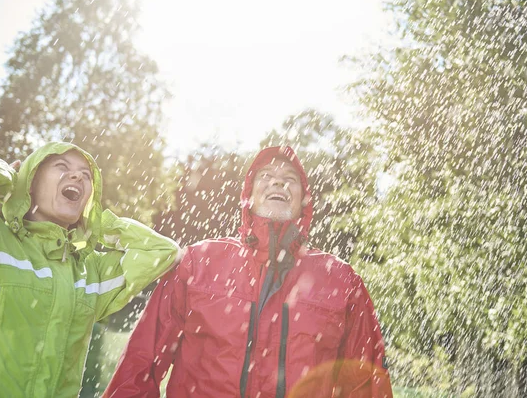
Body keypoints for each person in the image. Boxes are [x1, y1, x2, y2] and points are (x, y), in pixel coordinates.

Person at [104, 146, 393, 397]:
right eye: (266, 176)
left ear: (305, 201)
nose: (277, 182)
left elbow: (365, 381)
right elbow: (141, 362)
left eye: (289, 179)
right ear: (249, 197)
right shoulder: (198, 263)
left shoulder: (341, 281)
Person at [0, 142, 181, 397]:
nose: (76, 176)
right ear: (29, 182)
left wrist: (100, 223)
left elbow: (163, 252)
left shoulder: (92, 271)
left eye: (85, 175)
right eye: (61, 166)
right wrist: (5, 177)